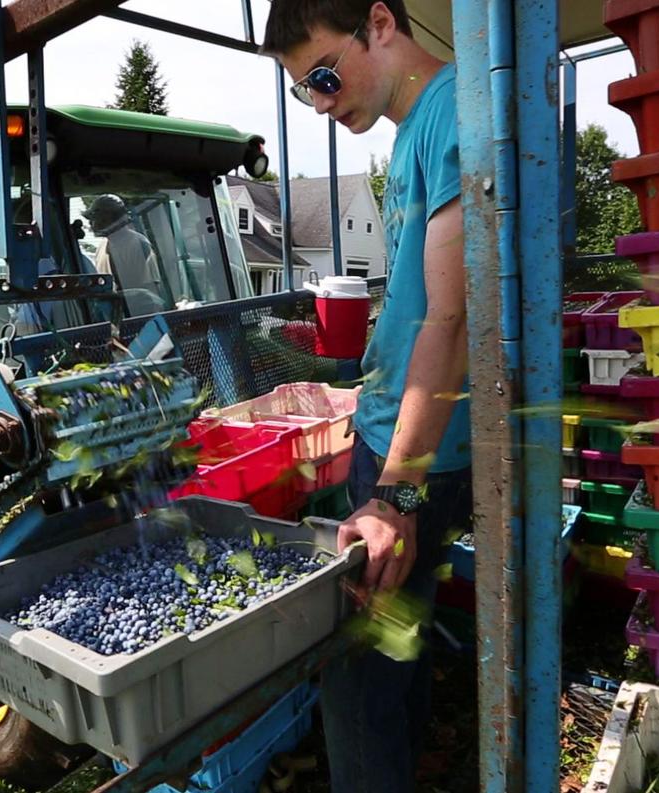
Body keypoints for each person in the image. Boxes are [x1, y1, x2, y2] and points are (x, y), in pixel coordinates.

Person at [262, 2, 473, 791]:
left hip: (408, 457)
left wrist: (394, 495)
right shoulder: (418, 132)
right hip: (402, 436)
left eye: (322, 75)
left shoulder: (453, 111)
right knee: (396, 644)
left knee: (354, 680)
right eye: (301, 92)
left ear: (379, 23)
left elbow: (454, 319)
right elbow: (422, 306)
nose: (319, 102)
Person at [83, 194, 166, 315]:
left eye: (94, 218)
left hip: (139, 317)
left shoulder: (138, 243)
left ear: (108, 217)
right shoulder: (101, 248)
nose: (91, 223)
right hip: (116, 318)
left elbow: (151, 294)